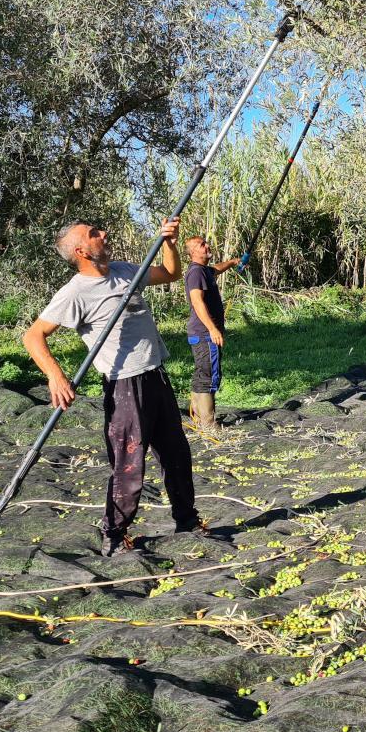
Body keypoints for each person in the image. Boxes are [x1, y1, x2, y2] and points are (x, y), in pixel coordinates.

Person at [22, 217, 210, 556]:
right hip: (125, 388)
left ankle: (187, 520)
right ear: (81, 250)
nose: (104, 234)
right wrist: (56, 374)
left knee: (177, 457)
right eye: (94, 234)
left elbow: (169, 274)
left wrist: (169, 243)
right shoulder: (75, 293)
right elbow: (33, 336)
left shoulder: (125, 270)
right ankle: (114, 534)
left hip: (156, 376)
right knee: (129, 467)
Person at [183, 235, 237, 430]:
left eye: (206, 243)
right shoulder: (196, 273)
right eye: (201, 245)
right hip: (205, 334)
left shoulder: (204, 271)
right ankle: (208, 423)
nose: (207, 246)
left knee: (202, 373)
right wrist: (213, 329)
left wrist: (232, 262)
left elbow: (217, 269)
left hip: (201, 333)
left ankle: (198, 418)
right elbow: (197, 302)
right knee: (210, 375)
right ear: (192, 253)